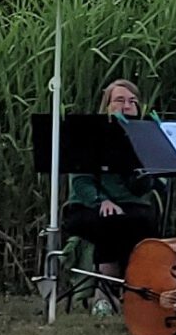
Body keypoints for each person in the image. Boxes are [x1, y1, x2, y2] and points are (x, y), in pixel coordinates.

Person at [62, 79, 162, 310]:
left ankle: (134, 295)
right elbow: (80, 180)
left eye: (132, 102)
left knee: (141, 223)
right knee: (111, 222)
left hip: (133, 206)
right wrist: (101, 200)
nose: (126, 106)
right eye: (119, 100)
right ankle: (103, 294)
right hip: (88, 206)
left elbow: (146, 187)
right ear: (106, 105)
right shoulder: (88, 135)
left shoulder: (144, 138)